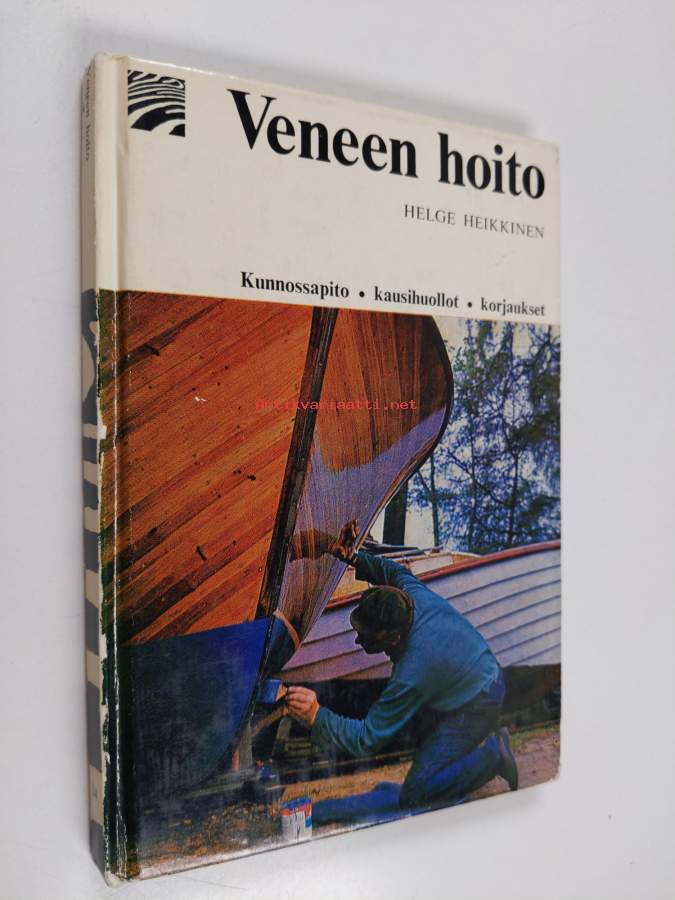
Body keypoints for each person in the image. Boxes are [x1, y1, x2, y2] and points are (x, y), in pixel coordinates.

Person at [286, 520, 518, 819]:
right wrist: (352, 557)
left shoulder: (413, 670)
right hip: (472, 672)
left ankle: (493, 756)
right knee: (423, 746)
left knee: (414, 794)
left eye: (367, 637)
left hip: (479, 701)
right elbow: (390, 570)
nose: (357, 640)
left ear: (394, 638)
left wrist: (317, 716)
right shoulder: (410, 593)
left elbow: (367, 739)